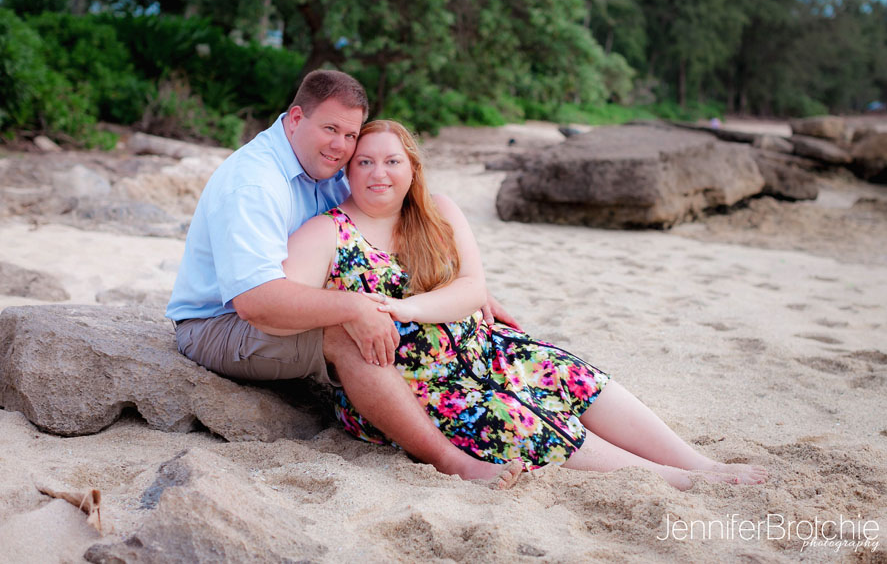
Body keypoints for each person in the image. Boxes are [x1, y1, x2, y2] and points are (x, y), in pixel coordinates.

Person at [270, 119, 769, 490]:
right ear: (349, 171)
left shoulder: (439, 212)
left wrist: (401, 309)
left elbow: (471, 288)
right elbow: (286, 300)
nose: (379, 173)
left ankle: (699, 464)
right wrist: (352, 309)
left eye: (392, 161)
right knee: (517, 418)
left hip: (484, 347)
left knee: (571, 375)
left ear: (412, 169)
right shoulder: (326, 232)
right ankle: (670, 480)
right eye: (365, 162)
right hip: (413, 386)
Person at [166, 70, 521, 487]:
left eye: (350, 135)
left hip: (281, 302)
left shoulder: (326, 165)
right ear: (296, 118)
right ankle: (450, 460)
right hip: (220, 324)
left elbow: (380, 236)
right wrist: (353, 306)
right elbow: (255, 303)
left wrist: (467, 288)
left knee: (396, 316)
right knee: (348, 332)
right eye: (330, 128)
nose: (341, 146)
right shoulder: (254, 184)